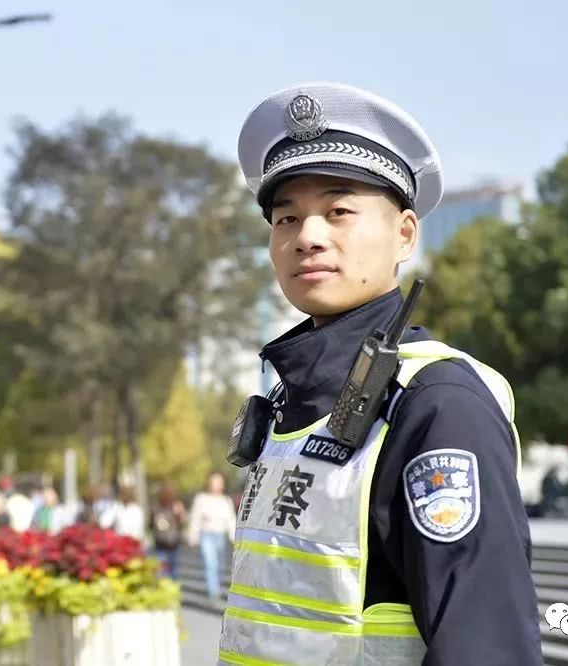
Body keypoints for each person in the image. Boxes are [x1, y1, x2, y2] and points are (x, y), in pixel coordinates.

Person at [218, 83, 541, 665]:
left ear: (405, 234)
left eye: (339, 211)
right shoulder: (292, 398)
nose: (307, 236)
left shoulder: (436, 402)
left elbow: (487, 643)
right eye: (286, 218)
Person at [187, 472, 236, 600]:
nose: (216, 485)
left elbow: (231, 520)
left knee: (219, 565)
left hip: (220, 535)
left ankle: (218, 586)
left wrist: (234, 537)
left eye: (218, 482)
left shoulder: (226, 501)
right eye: (214, 482)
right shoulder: (202, 499)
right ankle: (213, 591)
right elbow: (195, 518)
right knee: (210, 563)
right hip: (206, 535)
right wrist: (193, 536)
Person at [150, 483, 186, 579]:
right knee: (172, 569)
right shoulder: (173, 506)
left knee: (163, 570)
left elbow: (150, 525)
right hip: (171, 543)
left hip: (162, 543)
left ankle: (166, 588)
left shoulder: (156, 507)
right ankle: (172, 589)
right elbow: (181, 524)